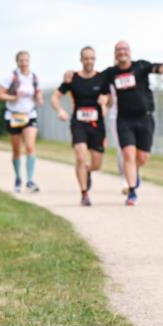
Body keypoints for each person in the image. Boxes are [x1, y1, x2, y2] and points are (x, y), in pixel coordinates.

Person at [100, 41, 163, 206]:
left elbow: (159, 69)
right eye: (118, 50)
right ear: (115, 54)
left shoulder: (140, 66)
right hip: (124, 119)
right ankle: (132, 191)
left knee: (142, 157)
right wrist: (103, 101)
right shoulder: (111, 73)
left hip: (145, 118)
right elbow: (102, 90)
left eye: (125, 49)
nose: (122, 52)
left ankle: (134, 172)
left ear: (130, 52)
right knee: (128, 155)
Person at [51, 46, 109, 206]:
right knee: (81, 156)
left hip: (97, 125)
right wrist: (60, 110)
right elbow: (55, 97)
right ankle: (84, 193)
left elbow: (109, 98)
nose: (89, 61)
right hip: (78, 124)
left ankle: (88, 171)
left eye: (91, 58)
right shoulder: (72, 78)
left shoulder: (101, 78)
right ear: (81, 60)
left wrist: (106, 102)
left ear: (95, 59)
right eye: (86, 58)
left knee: (97, 164)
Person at [0, 51, 43, 193]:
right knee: (16, 150)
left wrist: (39, 98)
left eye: (26, 60)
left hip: (30, 115)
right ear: (17, 62)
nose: (24, 63)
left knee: (30, 146)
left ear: (29, 61)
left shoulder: (34, 77)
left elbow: (38, 92)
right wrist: (13, 97)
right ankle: (18, 177)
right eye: (21, 60)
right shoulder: (11, 77)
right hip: (13, 116)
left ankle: (30, 180)